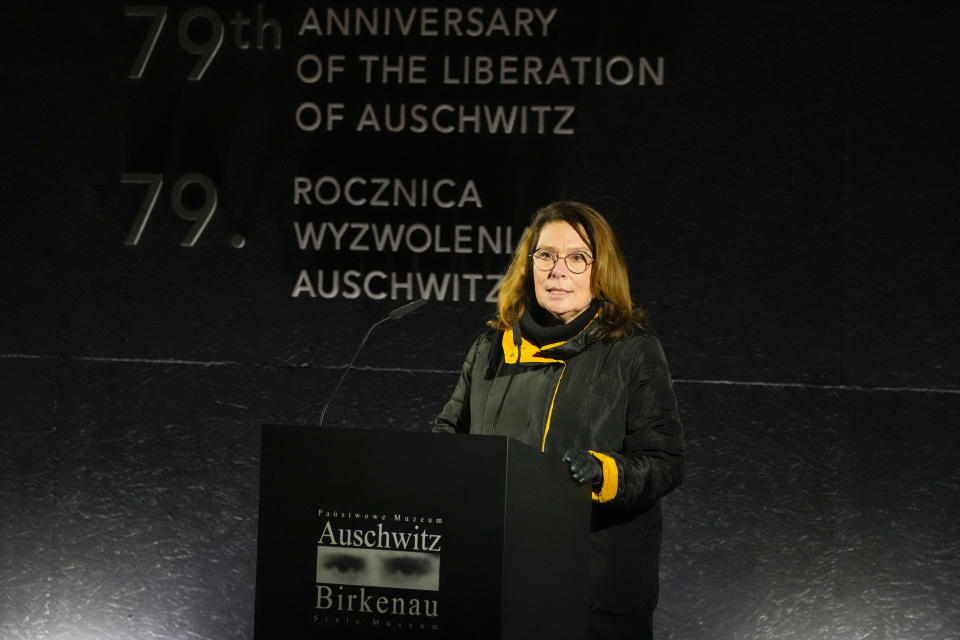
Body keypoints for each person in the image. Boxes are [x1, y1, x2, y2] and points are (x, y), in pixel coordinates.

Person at [434, 201, 684, 639]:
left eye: (576, 257)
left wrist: (603, 472)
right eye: (545, 255)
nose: (557, 270)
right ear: (528, 265)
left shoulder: (632, 351)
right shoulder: (491, 348)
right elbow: (448, 437)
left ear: (600, 268)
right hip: (496, 584)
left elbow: (664, 461)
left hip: (590, 594)